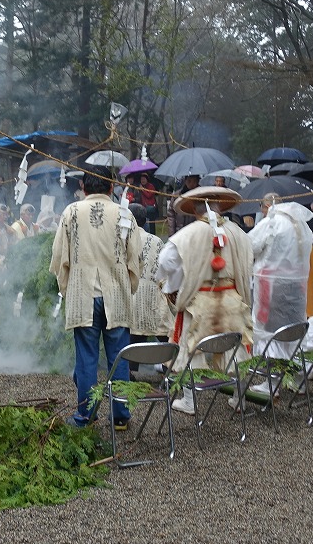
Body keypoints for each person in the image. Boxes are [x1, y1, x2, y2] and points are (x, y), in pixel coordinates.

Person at [50, 167, 140, 426]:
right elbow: (135, 259)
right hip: (116, 295)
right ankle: (121, 417)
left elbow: (59, 258)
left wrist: (66, 290)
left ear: (83, 186)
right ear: (112, 188)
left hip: (83, 293)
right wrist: (128, 286)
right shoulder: (124, 213)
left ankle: (85, 415)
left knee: (87, 357)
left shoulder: (71, 212)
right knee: (119, 357)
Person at [155, 186, 254, 415]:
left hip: (199, 302)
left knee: (191, 349)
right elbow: (250, 255)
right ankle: (240, 399)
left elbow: (165, 262)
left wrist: (180, 279)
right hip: (231, 298)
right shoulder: (236, 231)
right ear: (219, 206)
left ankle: (190, 400)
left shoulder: (189, 233)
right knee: (236, 348)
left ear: (195, 209)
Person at [247, 196, 313, 362]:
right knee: (292, 328)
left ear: (268, 205)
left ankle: (272, 377)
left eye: (262, 208)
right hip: (297, 283)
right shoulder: (301, 224)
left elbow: (250, 246)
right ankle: (297, 371)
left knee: (269, 330)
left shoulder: (272, 221)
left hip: (272, 284)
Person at [129, 204, 172, 345]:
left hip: (131, 301)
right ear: (145, 220)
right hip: (155, 300)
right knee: (166, 343)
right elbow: (165, 274)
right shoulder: (157, 241)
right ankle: (169, 366)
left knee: (133, 343)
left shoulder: (121, 241)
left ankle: (132, 368)